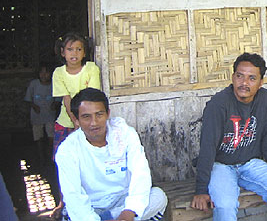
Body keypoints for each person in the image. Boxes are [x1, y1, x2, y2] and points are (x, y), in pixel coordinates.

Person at [190, 53, 267, 221]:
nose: (244, 83)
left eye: (252, 78)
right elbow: (207, 147)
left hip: (250, 163)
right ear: (233, 77)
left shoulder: (266, 99)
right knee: (225, 205)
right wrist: (201, 190)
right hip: (221, 165)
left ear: (261, 82)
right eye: (240, 76)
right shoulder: (218, 104)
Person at [55, 87, 167, 221]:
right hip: (92, 206)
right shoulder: (67, 150)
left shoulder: (125, 134)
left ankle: (112, 217)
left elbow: (140, 173)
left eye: (99, 114)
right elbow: (73, 195)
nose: (94, 123)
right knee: (74, 213)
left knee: (158, 197)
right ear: (76, 119)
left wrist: (129, 211)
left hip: (123, 202)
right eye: (86, 117)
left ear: (108, 113)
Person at [51, 32, 101, 218]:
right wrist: (76, 122)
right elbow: (66, 99)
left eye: (79, 49)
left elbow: (92, 96)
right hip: (66, 124)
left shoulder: (91, 69)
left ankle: (90, 202)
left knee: (88, 164)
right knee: (63, 163)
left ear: (84, 52)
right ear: (62, 52)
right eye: (70, 49)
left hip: (89, 124)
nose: (74, 53)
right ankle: (63, 202)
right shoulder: (59, 73)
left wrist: (86, 124)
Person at [24, 63, 57, 163]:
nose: (44, 75)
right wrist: (34, 106)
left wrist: (54, 104)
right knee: (38, 137)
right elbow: (28, 99)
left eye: (46, 72)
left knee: (51, 136)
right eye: (41, 72)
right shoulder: (34, 84)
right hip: (37, 115)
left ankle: (50, 156)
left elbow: (58, 99)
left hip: (49, 115)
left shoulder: (54, 85)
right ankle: (41, 157)